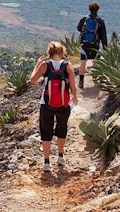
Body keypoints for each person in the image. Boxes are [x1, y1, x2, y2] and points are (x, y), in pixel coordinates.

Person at [29, 41, 78, 172]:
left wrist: (37, 65)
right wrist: (74, 97)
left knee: (46, 131)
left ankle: (46, 162)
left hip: (46, 104)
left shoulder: (45, 65)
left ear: (49, 53)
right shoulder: (68, 65)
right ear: (62, 52)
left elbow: (33, 81)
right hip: (63, 104)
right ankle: (60, 156)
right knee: (62, 128)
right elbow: (73, 87)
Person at [76, 2, 108, 89]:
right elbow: (103, 36)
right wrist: (105, 48)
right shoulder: (100, 21)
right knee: (95, 61)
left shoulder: (84, 19)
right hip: (95, 45)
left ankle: (81, 81)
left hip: (84, 44)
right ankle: (94, 78)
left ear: (89, 9)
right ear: (98, 10)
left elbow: (78, 28)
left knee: (83, 63)